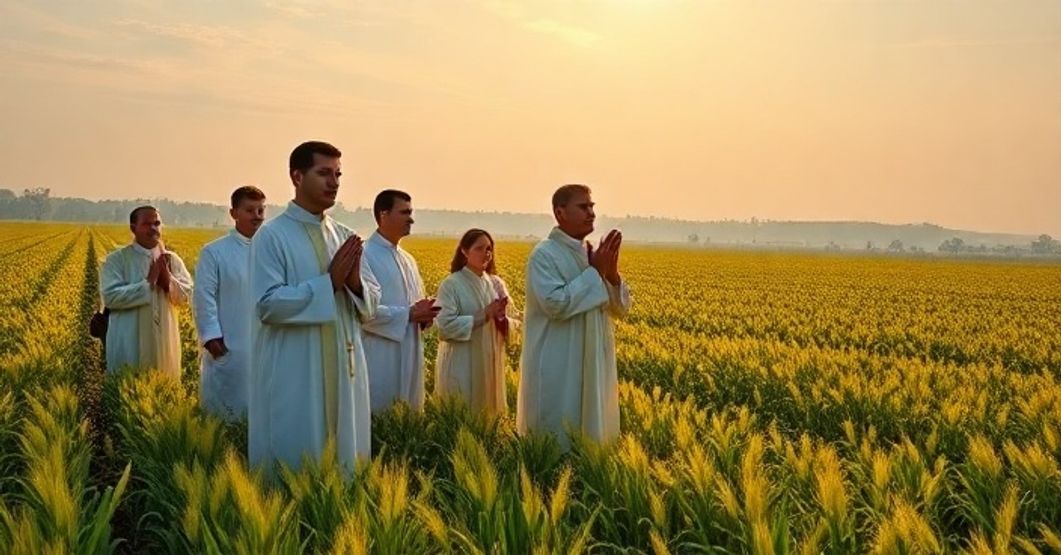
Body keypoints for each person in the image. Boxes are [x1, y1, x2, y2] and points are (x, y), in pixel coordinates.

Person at [247, 141, 381, 474]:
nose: (334, 182)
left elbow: (372, 301)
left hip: (345, 367)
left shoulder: (345, 236)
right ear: (297, 176)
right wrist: (328, 284)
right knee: (297, 457)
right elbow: (267, 304)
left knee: (346, 461)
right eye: (324, 173)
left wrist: (355, 285)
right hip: (298, 369)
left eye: (338, 174)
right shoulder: (272, 236)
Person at [516, 184, 632, 448]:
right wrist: (596, 273)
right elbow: (556, 305)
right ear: (560, 212)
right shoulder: (544, 255)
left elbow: (621, 309)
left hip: (594, 362)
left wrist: (612, 275)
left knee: (593, 436)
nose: (591, 213)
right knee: (557, 436)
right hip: (559, 362)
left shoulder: (591, 253)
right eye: (583, 207)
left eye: (592, 206)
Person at [193, 186, 266, 421]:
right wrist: (212, 338)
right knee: (226, 411)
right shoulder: (214, 252)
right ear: (233, 213)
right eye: (250, 210)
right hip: (230, 343)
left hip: (267, 342)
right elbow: (204, 296)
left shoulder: (272, 251)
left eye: (261, 210)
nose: (257, 216)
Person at [361, 189, 437, 413]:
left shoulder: (408, 260)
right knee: (381, 413)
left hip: (411, 350)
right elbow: (361, 310)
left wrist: (425, 316)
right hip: (379, 354)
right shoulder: (364, 255)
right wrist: (408, 314)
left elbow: (415, 304)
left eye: (411, 212)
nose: (411, 219)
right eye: (404, 212)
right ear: (383, 215)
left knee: (409, 415)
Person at [100, 206, 193, 376]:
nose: (153, 228)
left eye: (157, 223)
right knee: (127, 383)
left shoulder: (172, 260)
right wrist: (149, 282)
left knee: (164, 384)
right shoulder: (117, 260)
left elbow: (187, 298)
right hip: (128, 342)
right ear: (133, 228)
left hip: (164, 341)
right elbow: (111, 297)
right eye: (146, 224)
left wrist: (168, 281)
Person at [434, 229, 516, 416]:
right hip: (462, 362)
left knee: (488, 415)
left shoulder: (496, 284)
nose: (486, 253)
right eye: (479, 248)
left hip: (490, 360)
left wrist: (502, 320)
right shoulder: (451, 284)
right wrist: (483, 315)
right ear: (464, 251)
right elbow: (444, 327)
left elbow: (514, 322)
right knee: (462, 412)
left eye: (489, 249)